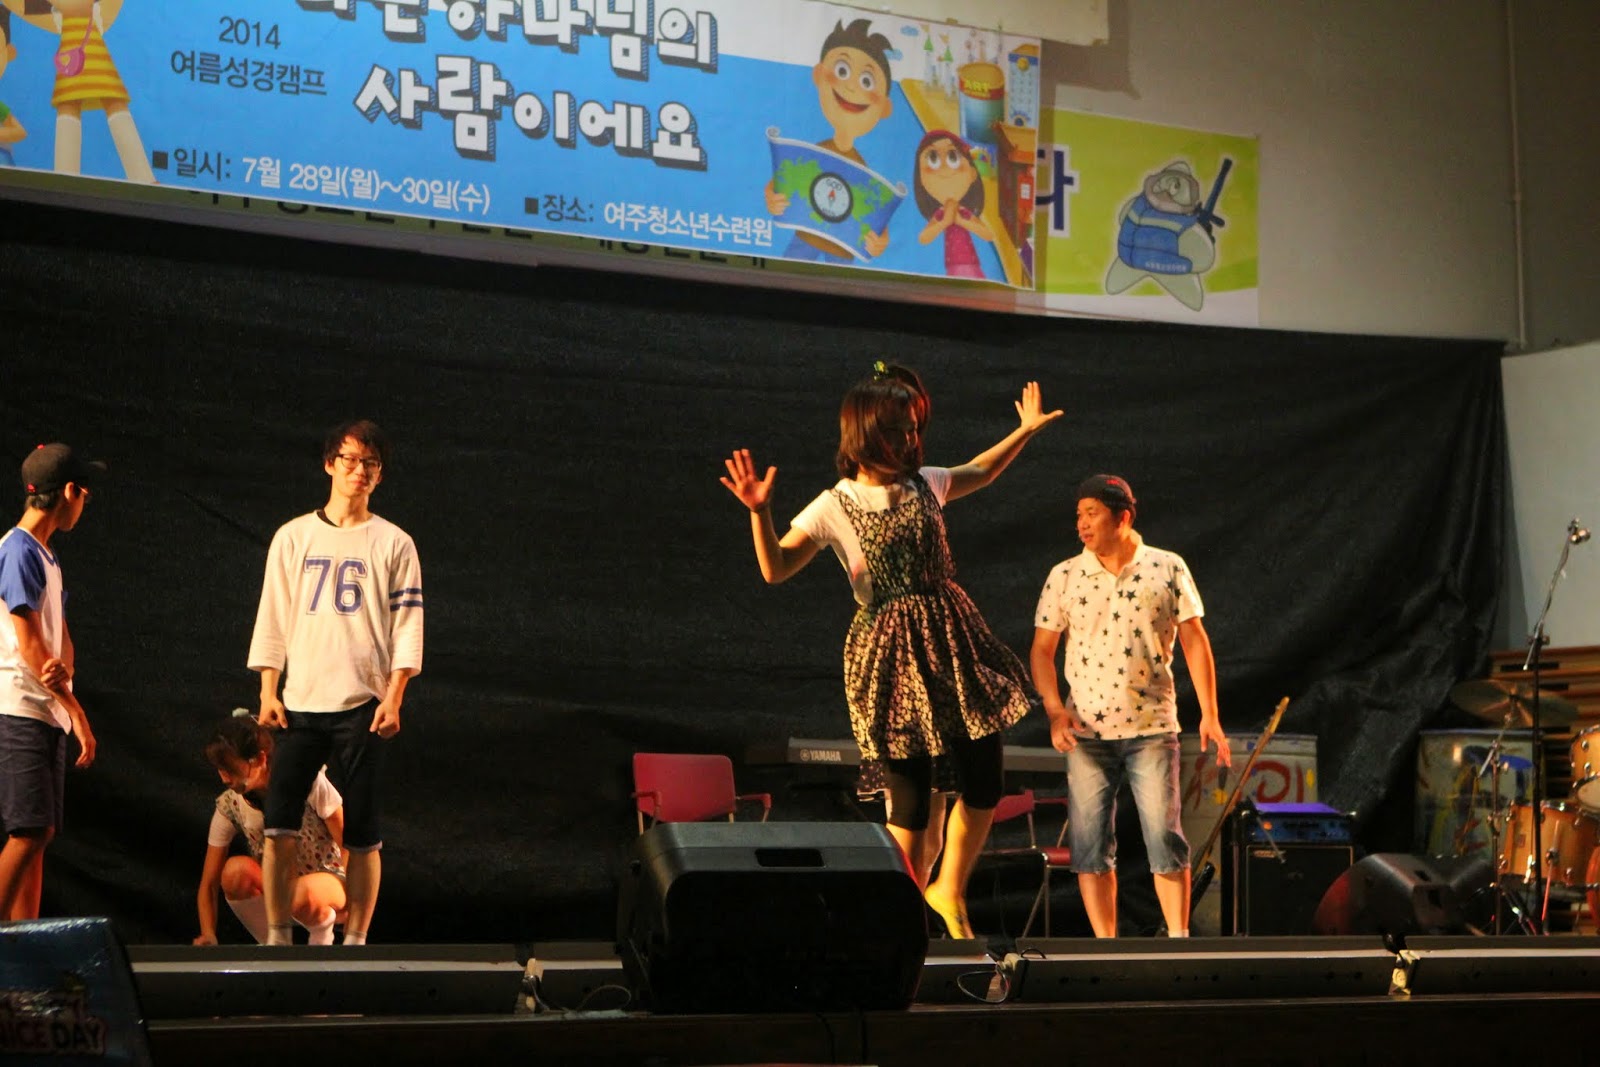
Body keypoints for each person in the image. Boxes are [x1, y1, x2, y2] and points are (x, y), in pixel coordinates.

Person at [720, 363, 1061, 937]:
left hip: (950, 637)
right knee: (912, 802)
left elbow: (980, 469)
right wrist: (760, 513)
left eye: (912, 429)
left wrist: (1024, 431)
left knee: (984, 778)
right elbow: (776, 568)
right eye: (897, 430)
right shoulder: (836, 503)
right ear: (864, 434)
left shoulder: (925, 483)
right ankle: (897, 919)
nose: (908, 440)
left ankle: (948, 890)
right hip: (891, 655)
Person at [1029, 474, 1230, 938]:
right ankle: (1108, 948)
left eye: (1092, 513)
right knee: (1090, 847)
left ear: (1122, 517)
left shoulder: (1166, 566)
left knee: (1164, 837)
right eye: (1078, 515)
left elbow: (1195, 641)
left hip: (1152, 726)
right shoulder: (1065, 575)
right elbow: (1042, 650)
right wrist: (1055, 710)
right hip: (1087, 731)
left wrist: (1210, 714)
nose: (1081, 523)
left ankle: (1177, 941)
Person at [248, 419, 423, 946]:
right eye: (349, 459)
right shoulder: (294, 536)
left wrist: (394, 697)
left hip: (363, 702)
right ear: (330, 464)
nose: (359, 470)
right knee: (278, 824)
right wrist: (268, 689)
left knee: (364, 832)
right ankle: (278, 938)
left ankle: (357, 942)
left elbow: (407, 625)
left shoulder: (394, 543)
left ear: (380, 474)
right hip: (301, 702)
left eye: (370, 463)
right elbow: (273, 615)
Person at [0, 442, 101, 920]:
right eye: (85, 494)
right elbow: (30, 645)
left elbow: (60, 637)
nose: (85, 504)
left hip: (45, 708)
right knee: (28, 832)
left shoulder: (46, 556)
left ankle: (25, 942)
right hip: (20, 706)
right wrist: (78, 713)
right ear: (69, 491)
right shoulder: (17, 549)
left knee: (40, 834)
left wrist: (67, 670)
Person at [195, 710, 346, 946]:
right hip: (280, 888)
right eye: (220, 770)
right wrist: (208, 933)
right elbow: (209, 882)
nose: (224, 778)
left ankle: (322, 930)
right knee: (234, 872)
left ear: (260, 759)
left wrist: (355, 903)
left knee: (296, 892)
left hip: (328, 881)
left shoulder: (306, 781)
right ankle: (273, 946)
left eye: (231, 769)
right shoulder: (231, 804)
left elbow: (349, 842)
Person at [764, 18, 894, 262]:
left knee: (840, 283)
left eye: (867, 81)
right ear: (819, 74)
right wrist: (772, 195)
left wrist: (881, 238)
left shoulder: (860, 166)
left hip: (843, 246)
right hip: (807, 234)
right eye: (842, 70)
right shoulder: (819, 151)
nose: (852, 88)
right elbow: (787, 178)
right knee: (788, 274)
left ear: (885, 107)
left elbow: (872, 211)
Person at [912, 130, 994, 280]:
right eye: (933, 158)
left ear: (972, 174)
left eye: (953, 157)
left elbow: (988, 235)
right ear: (921, 179)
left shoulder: (963, 212)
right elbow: (924, 238)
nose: (944, 169)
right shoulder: (941, 214)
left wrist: (961, 221)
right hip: (952, 266)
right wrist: (944, 223)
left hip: (971, 263)